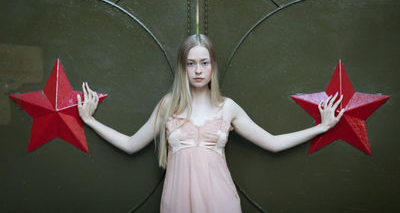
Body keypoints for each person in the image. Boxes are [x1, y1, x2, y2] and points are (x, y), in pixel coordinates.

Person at [77, 34, 344, 213]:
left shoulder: (227, 108)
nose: (197, 70)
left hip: (220, 202)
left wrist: (322, 127)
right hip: (177, 203)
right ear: (183, 67)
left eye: (204, 62)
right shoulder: (168, 105)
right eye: (191, 63)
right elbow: (131, 144)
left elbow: (272, 143)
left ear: (213, 66)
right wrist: (89, 120)